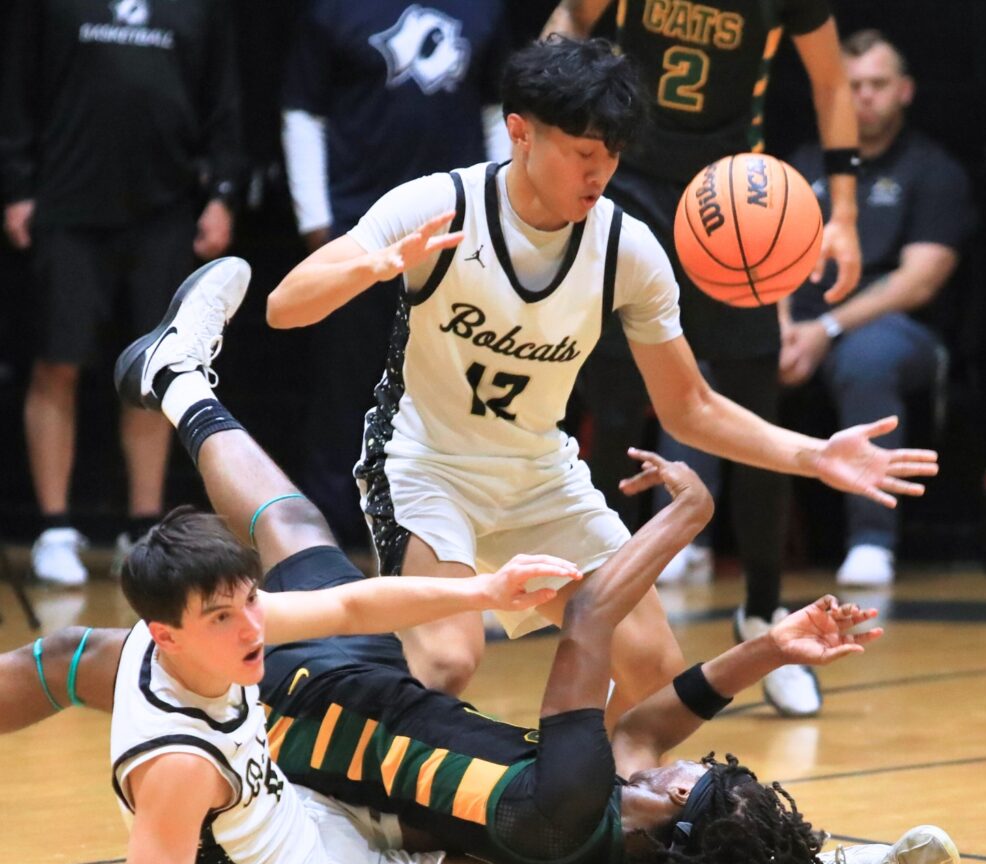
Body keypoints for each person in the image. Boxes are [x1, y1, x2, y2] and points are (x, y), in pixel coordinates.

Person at [0, 257, 956, 864]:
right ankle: (176, 374)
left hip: (324, 752)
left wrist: (690, 511)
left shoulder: (587, 803)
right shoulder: (617, 814)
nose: (675, 766)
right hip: (357, 729)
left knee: (85, 651)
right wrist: (770, 647)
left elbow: (590, 628)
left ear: (663, 810)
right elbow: (662, 719)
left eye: (683, 784)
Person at [265, 36, 936, 722]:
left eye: (611, 156)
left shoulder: (628, 247)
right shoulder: (441, 206)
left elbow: (691, 407)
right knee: (446, 661)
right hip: (426, 466)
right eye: (584, 153)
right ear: (521, 134)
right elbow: (284, 309)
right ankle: (338, 736)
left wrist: (812, 454)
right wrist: (372, 267)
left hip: (538, 477)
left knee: (655, 679)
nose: (600, 173)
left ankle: (589, 814)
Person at [547, 0, 862, 718]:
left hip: (733, 193)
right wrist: (543, 106)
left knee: (754, 407)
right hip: (627, 177)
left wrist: (842, 212)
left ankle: (760, 609)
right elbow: (570, 13)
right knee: (619, 406)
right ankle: (606, 614)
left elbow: (832, 83)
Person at [0, 0, 243, 586]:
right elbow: (15, 91)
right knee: (58, 361)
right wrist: (16, 185)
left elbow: (223, 100)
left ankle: (144, 530)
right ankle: (55, 527)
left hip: (165, 209)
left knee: (159, 369)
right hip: (67, 199)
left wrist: (223, 194)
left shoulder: (200, 11)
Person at [280, 0, 508, 552]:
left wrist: (502, 212)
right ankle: (328, 536)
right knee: (344, 388)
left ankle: (440, 530)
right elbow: (302, 112)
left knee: (451, 385)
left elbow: (498, 113)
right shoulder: (333, 12)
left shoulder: (486, 10)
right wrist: (317, 224)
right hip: (360, 228)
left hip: (458, 233)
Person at [780, 30, 975, 587]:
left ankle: (872, 542)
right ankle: (686, 539)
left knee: (868, 358)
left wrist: (826, 327)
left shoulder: (932, 169)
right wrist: (783, 325)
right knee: (721, 353)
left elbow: (920, 281)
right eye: (852, 85)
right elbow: (760, 258)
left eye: (877, 84)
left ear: (905, 90)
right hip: (801, 323)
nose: (864, 95)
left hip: (895, 329)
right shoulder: (802, 163)